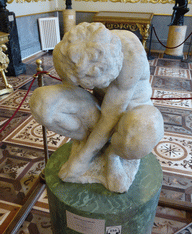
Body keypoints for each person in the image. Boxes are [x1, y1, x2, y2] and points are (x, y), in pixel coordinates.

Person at [30, 22, 164, 193]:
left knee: (141, 133)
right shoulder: (65, 55)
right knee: (42, 104)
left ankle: (112, 155)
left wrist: (81, 159)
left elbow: (111, 115)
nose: (105, 85)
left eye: (106, 81)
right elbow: (72, 90)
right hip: (97, 106)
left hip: (131, 114)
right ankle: (87, 141)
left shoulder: (131, 54)